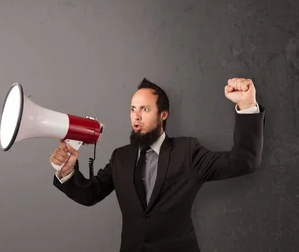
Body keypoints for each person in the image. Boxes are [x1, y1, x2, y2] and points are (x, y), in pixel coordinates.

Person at [50, 77, 265, 252]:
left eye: (144, 109)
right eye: (133, 109)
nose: (136, 116)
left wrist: (246, 106)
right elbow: (90, 195)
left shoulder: (187, 152)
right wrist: (67, 172)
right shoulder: (120, 157)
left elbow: (243, 161)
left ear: (163, 114)